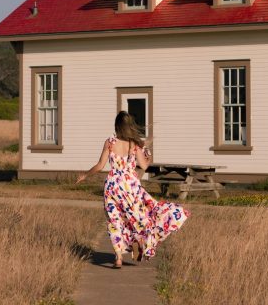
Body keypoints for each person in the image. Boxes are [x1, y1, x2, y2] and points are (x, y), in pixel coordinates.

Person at [76, 111, 188, 268]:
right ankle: (141, 245)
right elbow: (144, 166)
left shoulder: (109, 142)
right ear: (129, 126)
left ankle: (118, 257)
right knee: (137, 219)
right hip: (130, 186)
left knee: (114, 221)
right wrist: (148, 157)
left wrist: (85, 175)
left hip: (113, 186)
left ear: (117, 126)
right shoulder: (135, 144)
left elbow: (100, 165)